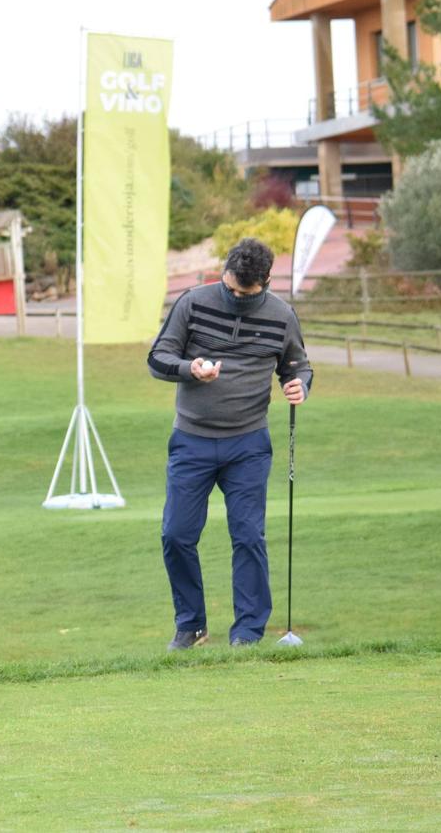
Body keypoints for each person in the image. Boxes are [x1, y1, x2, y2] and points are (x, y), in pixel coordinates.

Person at [148, 237, 313, 650]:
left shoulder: (281, 315)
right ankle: (192, 626)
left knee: (248, 536)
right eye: (231, 288)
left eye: (246, 292)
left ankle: (247, 633)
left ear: (266, 282)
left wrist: (300, 386)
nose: (236, 297)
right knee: (176, 535)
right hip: (192, 441)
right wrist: (191, 368)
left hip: (248, 444)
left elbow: (296, 365)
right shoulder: (193, 302)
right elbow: (158, 358)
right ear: (224, 273)